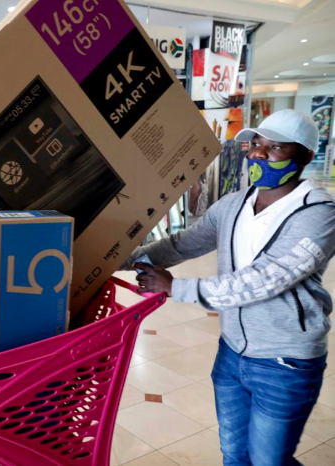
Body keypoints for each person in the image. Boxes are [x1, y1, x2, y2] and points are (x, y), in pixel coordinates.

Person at [122, 109, 335, 466]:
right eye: (256, 144)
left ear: (305, 156)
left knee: (268, 461)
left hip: (284, 362)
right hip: (232, 353)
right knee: (235, 455)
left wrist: (177, 287)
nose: (259, 154)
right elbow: (182, 245)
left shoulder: (318, 214)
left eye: (275, 147)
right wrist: (120, 259)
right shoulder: (234, 204)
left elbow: (265, 279)